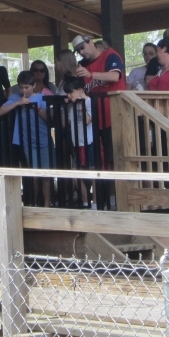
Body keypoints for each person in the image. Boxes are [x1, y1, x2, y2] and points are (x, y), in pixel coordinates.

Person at [73, 34, 125, 183]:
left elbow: (115, 76)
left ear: (90, 42)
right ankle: (105, 198)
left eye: (82, 48)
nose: (81, 52)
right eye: (78, 51)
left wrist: (91, 74)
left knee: (116, 157)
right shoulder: (83, 65)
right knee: (100, 161)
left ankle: (119, 197)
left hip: (114, 116)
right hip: (95, 118)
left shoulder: (110, 55)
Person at [0, 70, 52, 205]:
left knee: (46, 175)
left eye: (27, 87)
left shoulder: (41, 98)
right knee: (34, 175)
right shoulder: (17, 97)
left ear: (33, 85)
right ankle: (34, 204)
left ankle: (46, 205)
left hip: (44, 140)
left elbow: (49, 119)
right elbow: (0, 111)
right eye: (21, 87)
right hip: (27, 142)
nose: (24, 90)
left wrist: (37, 109)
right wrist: (17, 103)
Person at [63, 74, 95, 207]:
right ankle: (85, 202)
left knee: (93, 174)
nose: (69, 96)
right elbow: (66, 123)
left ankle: (95, 204)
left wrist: (79, 104)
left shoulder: (88, 102)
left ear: (80, 89)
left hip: (89, 143)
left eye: (71, 92)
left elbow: (88, 120)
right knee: (77, 174)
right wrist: (65, 107)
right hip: (77, 143)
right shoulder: (71, 105)